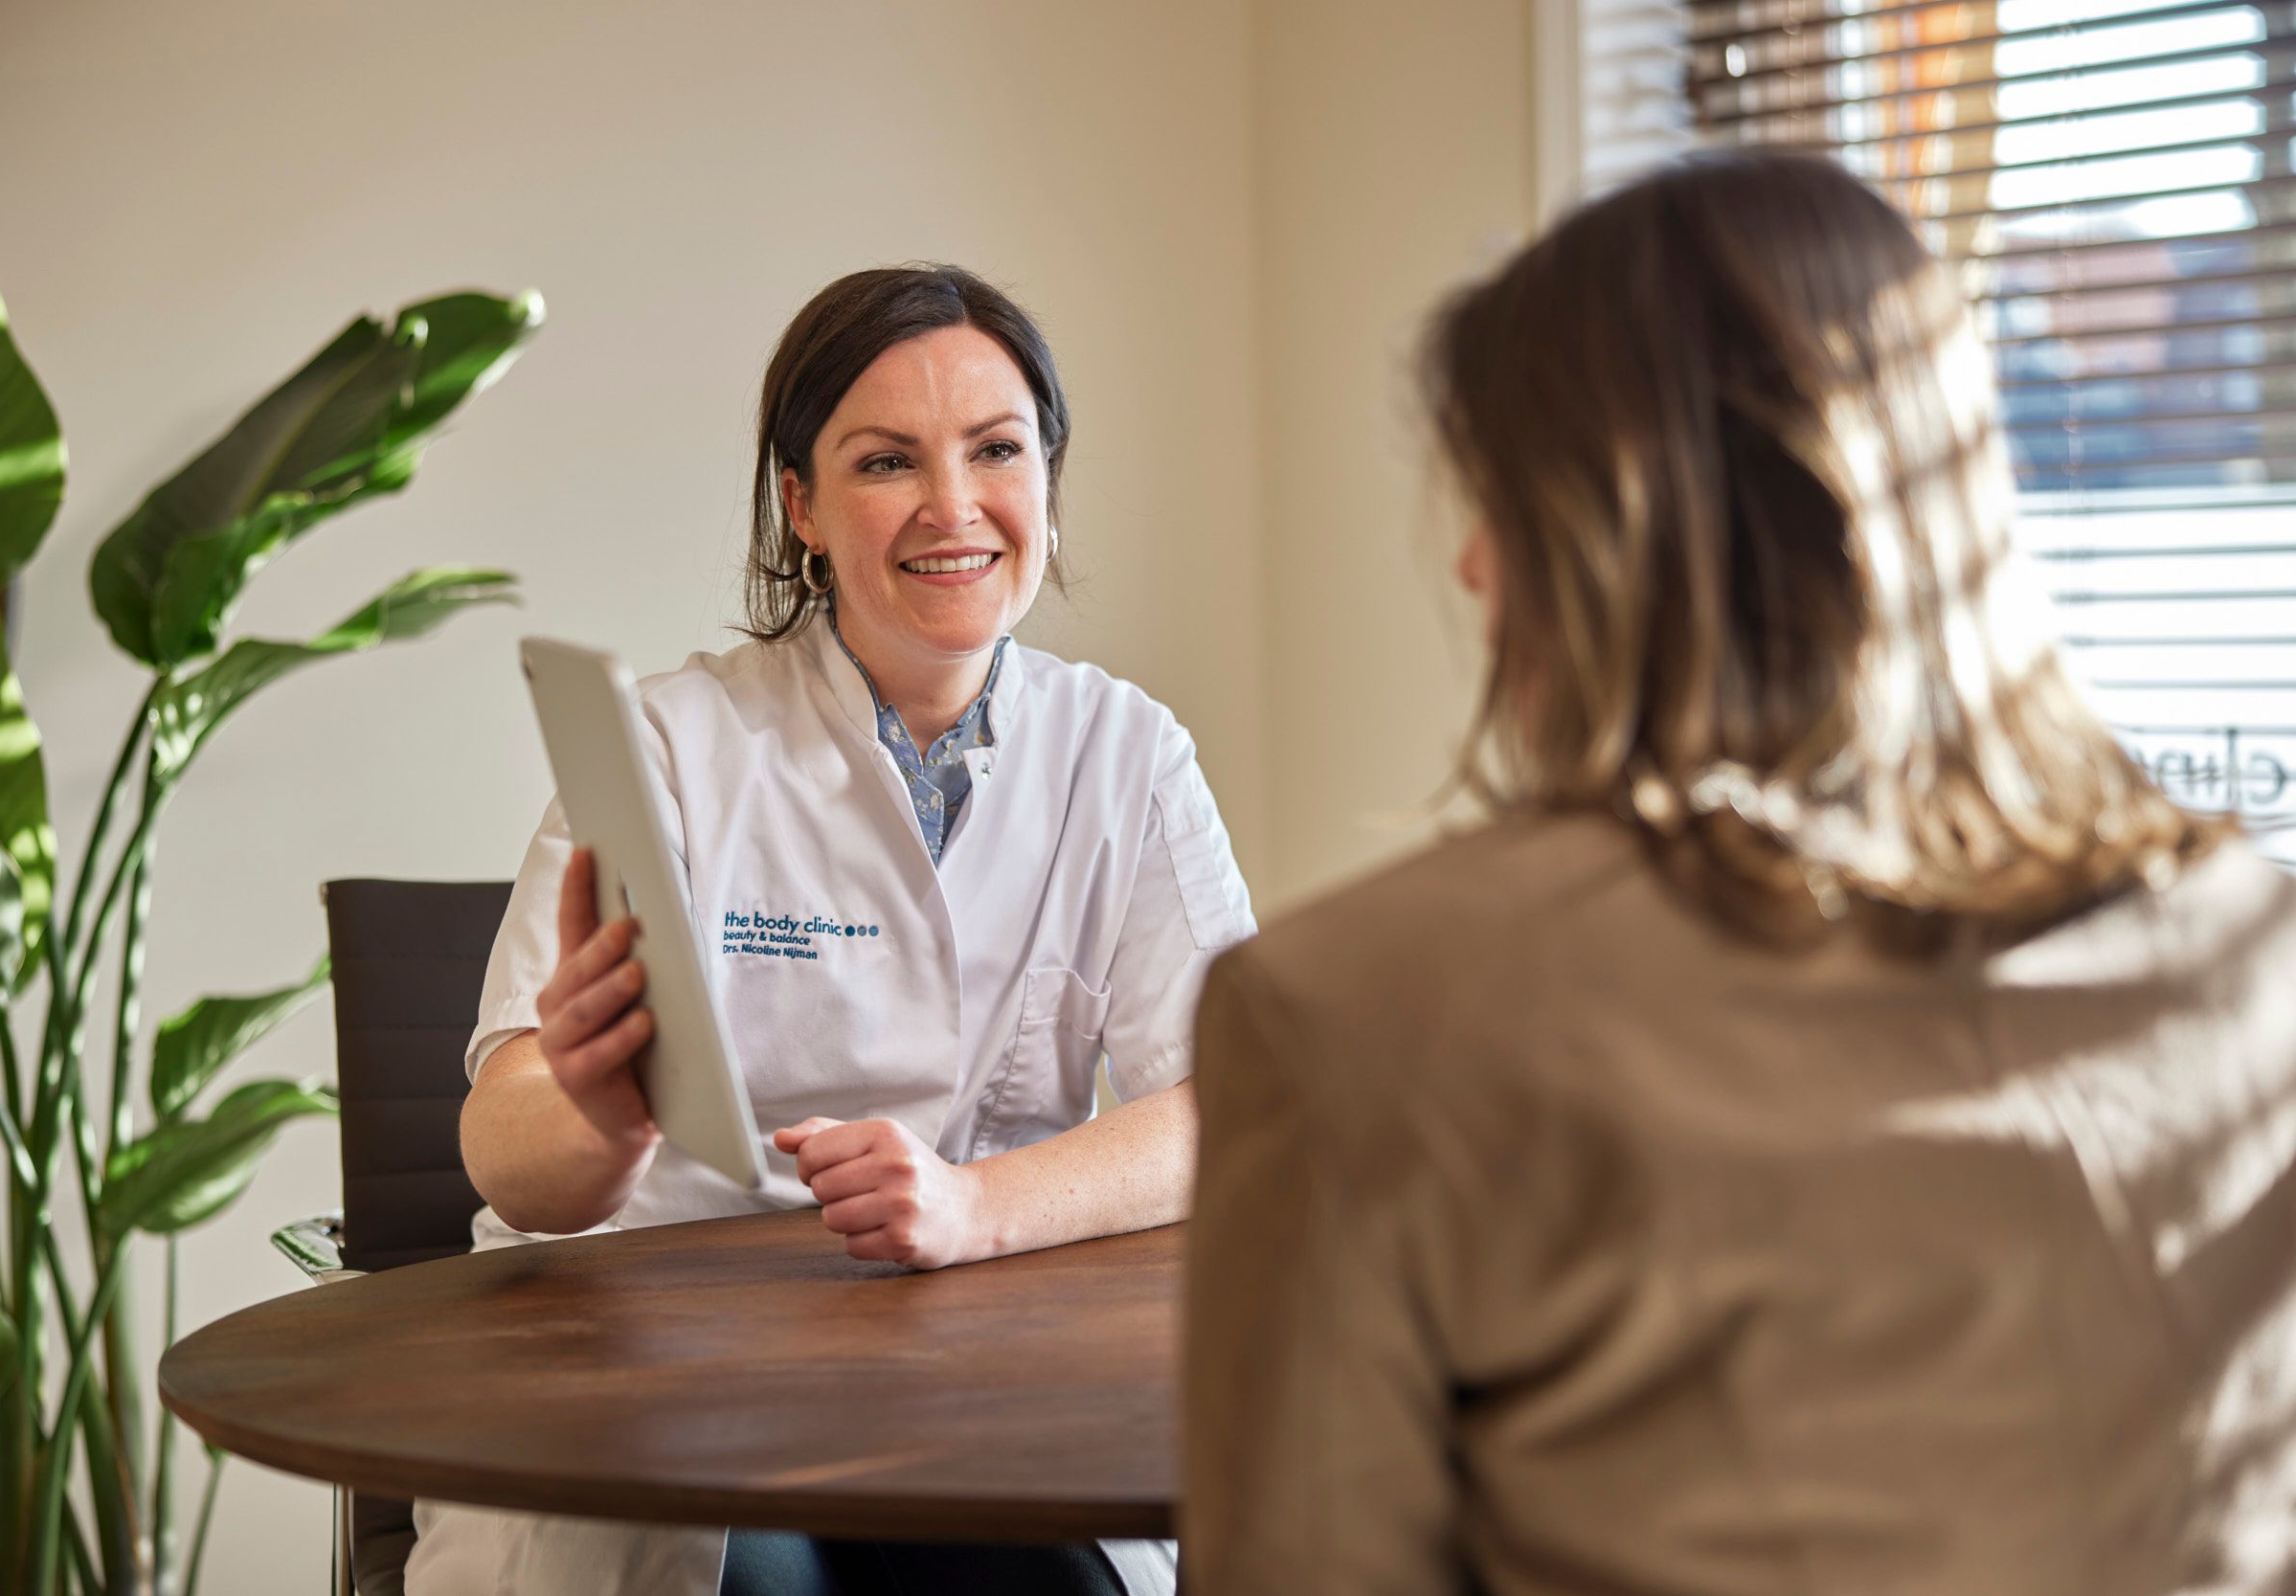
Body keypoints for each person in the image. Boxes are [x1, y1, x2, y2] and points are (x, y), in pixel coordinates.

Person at [1182, 151, 2296, 1595]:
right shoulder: (2250, 950)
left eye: (1502, 501)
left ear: (1607, 529)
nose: (1469, 570)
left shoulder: (1355, 1012)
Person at [407, 265, 1254, 1596]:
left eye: (995, 451)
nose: (952, 506)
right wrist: (601, 1114)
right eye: (884, 462)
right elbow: (506, 1144)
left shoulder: (1128, 755)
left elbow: (1235, 1107)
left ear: (1047, 477)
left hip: (976, 1381)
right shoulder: (673, 748)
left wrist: (976, 1206)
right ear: (799, 503)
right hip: (672, 1374)